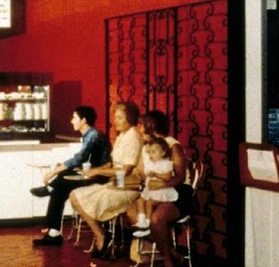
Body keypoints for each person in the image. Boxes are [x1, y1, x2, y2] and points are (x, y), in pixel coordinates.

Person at [68, 101, 143, 258]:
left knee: (78, 197)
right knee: (75, 195)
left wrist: (97, 171)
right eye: (115, 117)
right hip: (116, 184)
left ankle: (102, 236)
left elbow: (126, 169)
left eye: (119, 118)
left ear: (130, 119)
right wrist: (95, 170)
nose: (115, 121)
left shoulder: (134, 138)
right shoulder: (122, 136)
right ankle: (102, 234)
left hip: (128, 188)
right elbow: (113, 162)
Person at [31, 106, 112, 246]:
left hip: (98, 177)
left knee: (61, 181)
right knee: (60, 186)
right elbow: (82, 161)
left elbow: (79, 158)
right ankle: (53, 232)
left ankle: (54, 233)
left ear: (83, 120)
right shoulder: (89, 135)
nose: (71, 120)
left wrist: (53, 172)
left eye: (74, 117)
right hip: (90, 173)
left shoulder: (94, 136)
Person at [125, 110, 190, 267]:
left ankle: (168, 262)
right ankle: (172, 252)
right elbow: (141, 174)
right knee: (131, 212)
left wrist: (162, 184)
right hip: (153, 191)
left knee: (156, 220)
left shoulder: (171, 145)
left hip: (176, 191)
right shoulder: (147, 148)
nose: (139, 129)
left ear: (150, 126)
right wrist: (122, 180)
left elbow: (180, 177)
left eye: (141, 125)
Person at [131, 136, 178, 238]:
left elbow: (168, 176)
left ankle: (148, 225)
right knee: (140, 201)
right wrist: (140, 174)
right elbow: (145, 176)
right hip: (150, 190)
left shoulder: (165, 164)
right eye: (150, 152)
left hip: (162, 190)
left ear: (163, 153)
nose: (151, 155)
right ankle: (142, 222)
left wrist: (156, 175)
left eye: (154, 152)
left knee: (149, 203)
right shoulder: (150, 164)